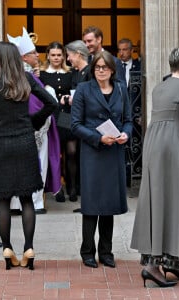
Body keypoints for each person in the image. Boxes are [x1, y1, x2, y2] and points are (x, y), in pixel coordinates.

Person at [131, 48, 179, 288]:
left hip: (154, 146)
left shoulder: (160, 87)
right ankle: (155, 266)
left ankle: (172, 263)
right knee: (176, 203)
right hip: (173, 148)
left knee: (159, 203)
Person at [0, 41, 57, 270]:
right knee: (27, 198)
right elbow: (51, 103)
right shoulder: (26, 79)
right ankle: (28, 248)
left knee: (2, 199)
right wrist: (33, 122)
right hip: (24, 142)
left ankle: (7, 247)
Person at [71, 50, 132, 269]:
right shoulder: (83, 89)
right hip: (93, 152)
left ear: (112, 70)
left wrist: (126, 133)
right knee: (92, 203)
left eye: (105, 67)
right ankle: (88, 251)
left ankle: (106, 252)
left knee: (109, 204)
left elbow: (128, 120)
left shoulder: (122, 90)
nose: (101, 71)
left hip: (114, 152)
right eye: (97, 67)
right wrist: (98, 138)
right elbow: (75, 124)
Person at [7, 28, 62, 213]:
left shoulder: (20, 75)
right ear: (23, 57)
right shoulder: (26, 76)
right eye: (32, 53)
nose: (37, 55)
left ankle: (17, 204)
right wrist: (35, 122)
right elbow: (43, 102)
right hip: (31, 129)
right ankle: (34, 203)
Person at [39, 41, 74, 202]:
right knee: (55, 152)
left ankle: (72, 187)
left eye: (59, 55)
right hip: (51, 116)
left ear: (64, 56)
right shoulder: (42, 74)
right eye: (53, 55)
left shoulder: (70, 73)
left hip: (66, 115)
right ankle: (57, 188)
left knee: (71, 151)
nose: (56, 58)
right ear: (48, 56)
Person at [65, 40, 92, 212]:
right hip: (77, 121)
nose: (68, 59)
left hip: (88, 123)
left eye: (69, 55)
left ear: (78, 54)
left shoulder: (90, 72)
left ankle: (88, 200)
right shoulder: (76, 73)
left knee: (87, 161)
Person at [118, 38, 142, 186]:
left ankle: (135, 177)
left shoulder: (140, 66)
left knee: (136, 145)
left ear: (132, 50)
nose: (122, 53)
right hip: (119, 114)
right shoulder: (114, 67)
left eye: (125, 49)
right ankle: (122, 177)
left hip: (136, 113)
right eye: (119, 50)